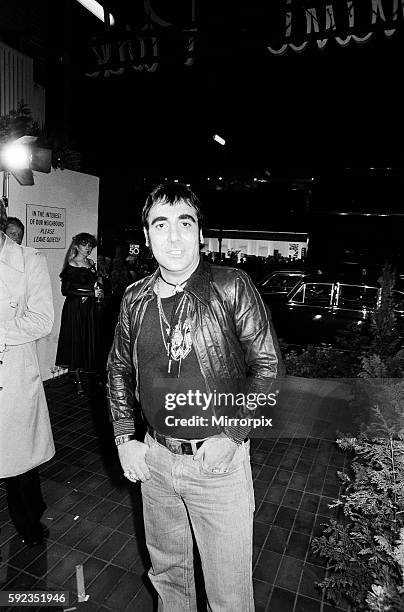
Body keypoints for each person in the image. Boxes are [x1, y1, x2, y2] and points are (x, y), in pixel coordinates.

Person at [107, 183, 279, 611]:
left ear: (200, 232)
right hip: (156, 462)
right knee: (169, 581)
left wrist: (231, 435)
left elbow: (268, 368)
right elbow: (117, 369)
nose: (174, 237)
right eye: (160, 225)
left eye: (186, 223)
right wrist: (125, 437)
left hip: (216, 462)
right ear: (146, 237)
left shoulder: (231, 285)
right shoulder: (134, 298)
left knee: (229, 596)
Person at [0, 198, 54, 547]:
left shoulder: (28, 259)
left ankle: (29, 522)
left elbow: (42, 319)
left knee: (19, 462)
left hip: (12, 375)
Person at [55, 233, 102, 386]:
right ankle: (76, 377)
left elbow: (92, 283)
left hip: (89, 308)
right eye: (84, 244)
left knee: (88, 337)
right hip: (74, 308)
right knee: (75, 339)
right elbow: (66, 291)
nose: (87, 248)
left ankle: (87, 371)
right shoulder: (72, 264)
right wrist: (90, 293)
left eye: (90, 245)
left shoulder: (91, 262)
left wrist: (98, 290)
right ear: (76, 246)